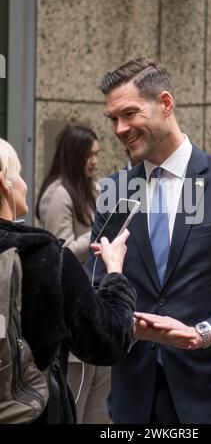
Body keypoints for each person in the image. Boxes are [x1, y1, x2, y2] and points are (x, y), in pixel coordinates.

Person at [85, 57, 211, 424]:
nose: (119, 129)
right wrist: (115, 318)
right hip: (134, 398)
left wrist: (203, 334)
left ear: (166, 104)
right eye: (113, 119)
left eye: (129, 114)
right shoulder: (116, 190)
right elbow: (96, 281)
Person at [0, 137, 136, 423]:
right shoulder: (44, 256)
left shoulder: (89, 189)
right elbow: (108, 340)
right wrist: (114, 271)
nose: (25, 184)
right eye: (20, 174)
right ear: (4, 182)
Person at [36, 125, 112, 424]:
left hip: (96, 307)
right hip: (73, 316)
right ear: (74, 155)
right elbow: (60, 252)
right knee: (74, 408)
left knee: (99, 410)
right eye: (89, 155)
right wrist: (101, 232)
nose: (95, 161)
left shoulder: (89, 188)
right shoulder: (57, 195)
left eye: (97, 154)